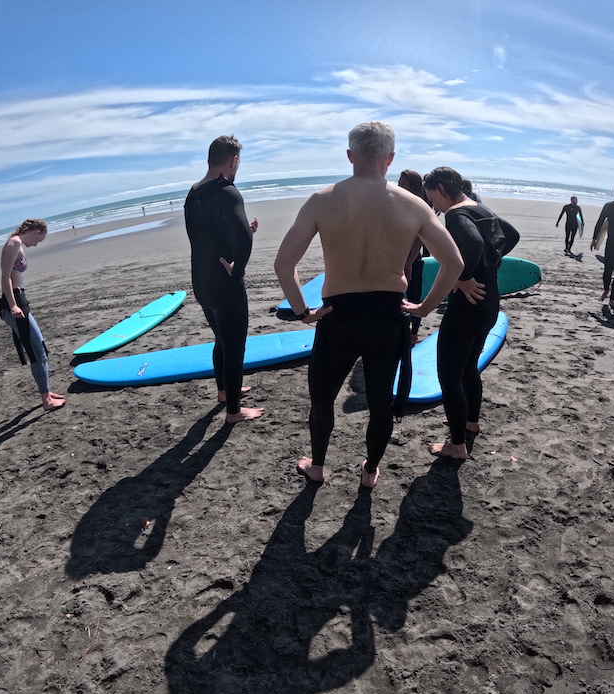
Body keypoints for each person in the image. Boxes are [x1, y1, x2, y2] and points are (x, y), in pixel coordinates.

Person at [274, 122, 466, 488]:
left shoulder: (321, 201)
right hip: (388, 317)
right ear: (390, 158)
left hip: (338, 316)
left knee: (322, 399)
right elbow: (454, 263)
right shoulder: (413, 205)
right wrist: (424, 308)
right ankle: (369, 471)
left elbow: (284, 264)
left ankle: (317, 467)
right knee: (380, 405)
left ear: (350, 155)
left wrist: (303, 312)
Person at [410, 167, 519, 460]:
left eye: (433, 197)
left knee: (449, 376)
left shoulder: (456, 215)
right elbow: (511, 235)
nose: (433, 204)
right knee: (469, 367)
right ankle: (471, 423)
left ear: (442, 189)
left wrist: (464, 275)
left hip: (468, 307)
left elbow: (473, 243)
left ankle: (457, 446)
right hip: (489, 301)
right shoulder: (479, 208)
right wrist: (489, 263)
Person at [184, 135, 263, 424]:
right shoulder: (228, 192)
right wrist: (238, 269)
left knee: (221, 338)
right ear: (233, 160)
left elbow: (207, 235)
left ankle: (223, 392)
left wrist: (240, 234)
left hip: (201, 281)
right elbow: (243, 239)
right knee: (234, 346)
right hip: (225, 283)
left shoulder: (194, 192)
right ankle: (234, 411)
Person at [0, 219, 65, 411]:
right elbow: (5, 277)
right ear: (36, 232)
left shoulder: (17, 243)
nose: (36, 245)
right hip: (13, 302)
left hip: (20, 298)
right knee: (38, 351)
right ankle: (47, 401)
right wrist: (13, 305)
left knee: (39, 347)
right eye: (39, 240)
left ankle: (47, 392)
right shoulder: (15, 242)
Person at [397, 169, 427, 344]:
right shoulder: (399, 204)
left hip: (412, 260)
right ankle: (400, 332)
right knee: (396, 298)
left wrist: (408, 262)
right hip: (396, 260)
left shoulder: (417, 206)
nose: (398, 186)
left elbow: (419, 239)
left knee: (414, 298)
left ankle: (413, 333)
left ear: (413, 187)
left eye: (403, 184)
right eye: (398, 183)